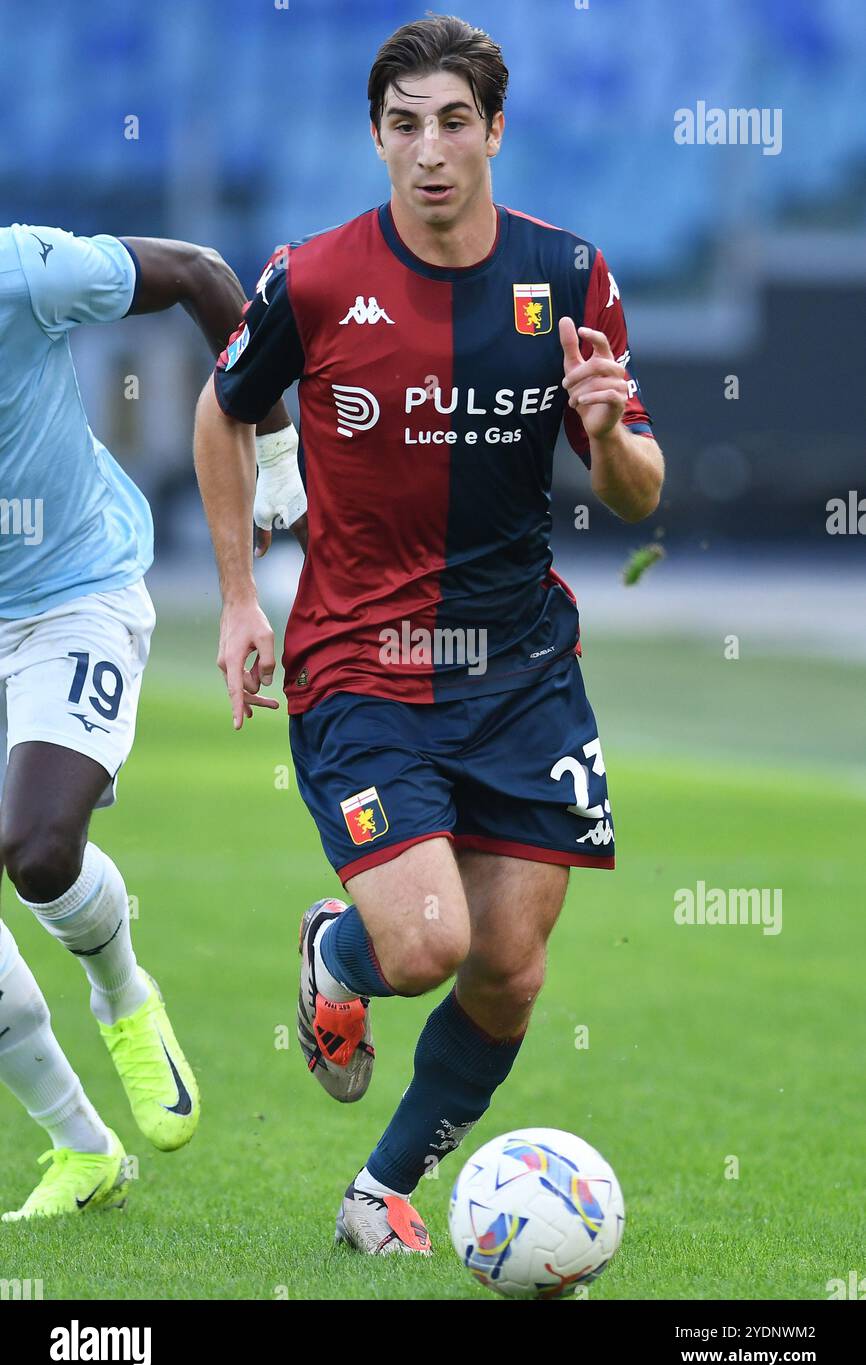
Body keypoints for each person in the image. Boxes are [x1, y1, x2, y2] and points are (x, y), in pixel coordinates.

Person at [194, 13, 663, 1257]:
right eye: (405, 126)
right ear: (375, 136)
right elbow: (219, 409)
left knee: (507, 967)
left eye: (454, 122)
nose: (430, 151)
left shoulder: (566, 277)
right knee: (424, 944)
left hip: (521, 674)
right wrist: (242, 597)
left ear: (495, 129)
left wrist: (607, 432)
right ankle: (338, 952)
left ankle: (378, 1192)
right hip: (361, 664)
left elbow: (639, 493)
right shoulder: (315, 277)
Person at [0, 222, 304, 1220]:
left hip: (69, 595)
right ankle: (79, 1146)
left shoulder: (24, 269)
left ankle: (123, 993)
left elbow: (201, 276)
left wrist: (272, 440)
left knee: (39, 849)